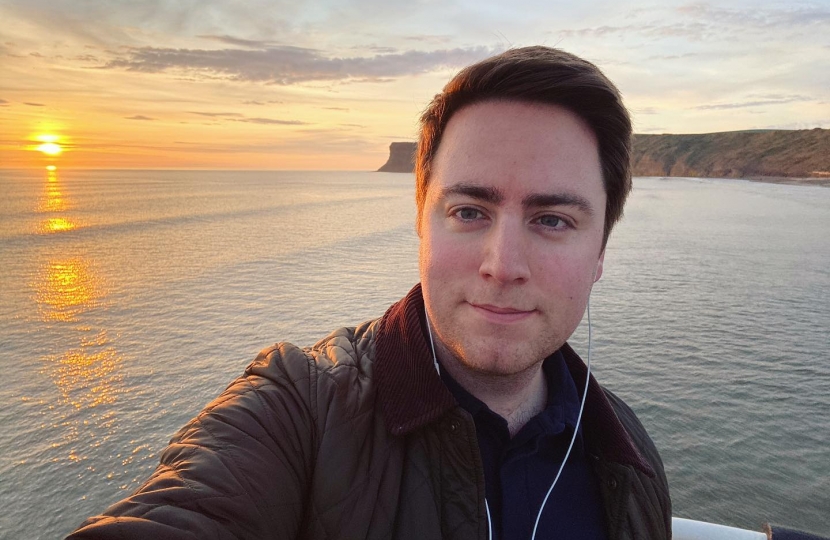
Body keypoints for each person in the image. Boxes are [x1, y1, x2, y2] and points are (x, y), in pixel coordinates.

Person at [69, 46, 671, 540]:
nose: (503, 264)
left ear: (599, 254)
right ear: (421, 223)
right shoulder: (300, 411)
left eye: (553, 220)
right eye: (468, 211)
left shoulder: (627, 456)